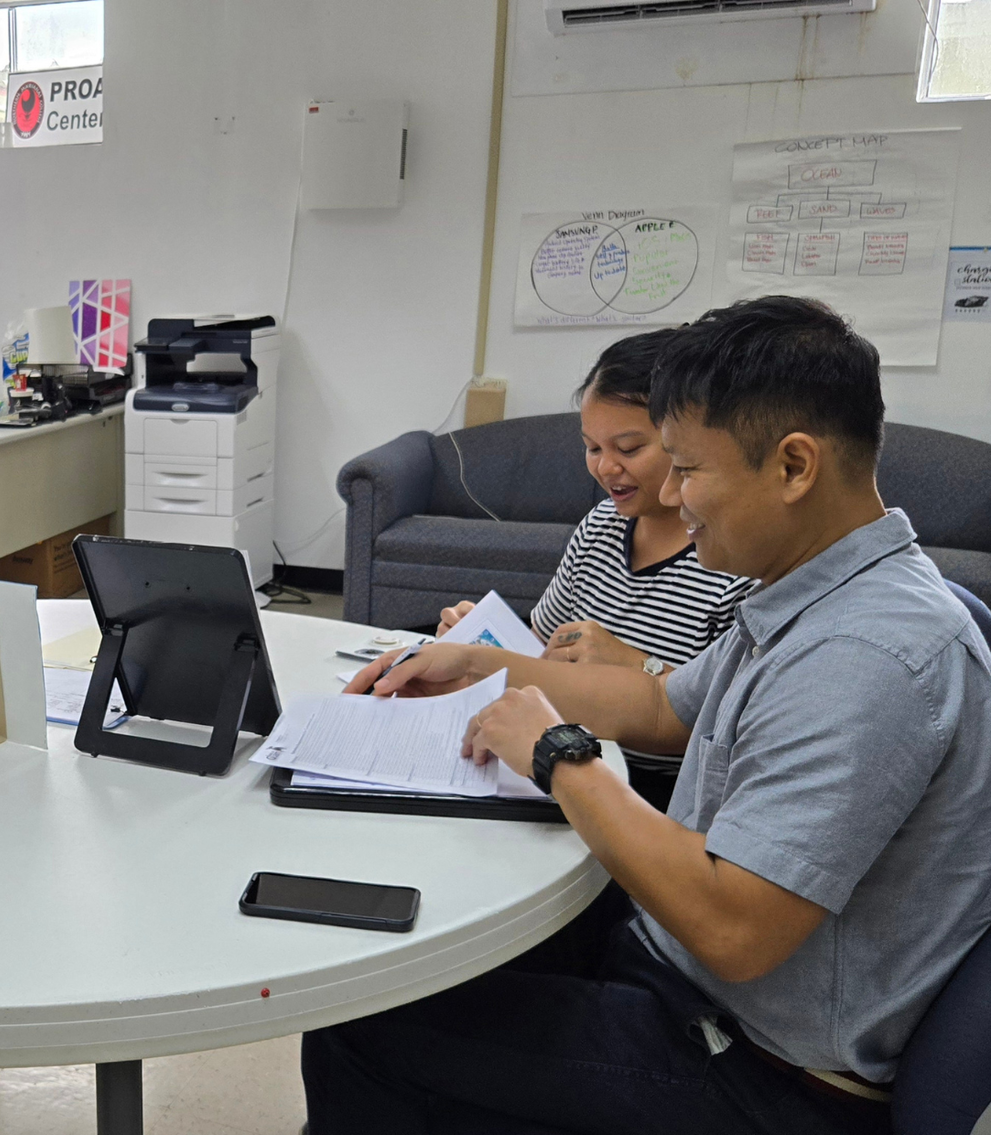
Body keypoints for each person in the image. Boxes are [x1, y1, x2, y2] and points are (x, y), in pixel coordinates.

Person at [309, 296, 991, 1134]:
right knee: (404, 943)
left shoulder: (870, 655)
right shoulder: (812, 585)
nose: (671, 493)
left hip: (757, 1068)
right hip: (688, 970)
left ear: (794, 465)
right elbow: (664, 705)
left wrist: (560, 754)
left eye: (688, 469)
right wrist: (483, 662)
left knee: (357, 1016)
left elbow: (735, 928)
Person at [429, 330, 754, 809]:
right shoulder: (602, 524)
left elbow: (727, 729)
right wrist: (480, 644)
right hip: (556, 756)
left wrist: (637, 663)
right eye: (593, 447)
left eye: (628, 448)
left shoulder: (736, 559)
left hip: (654, 795)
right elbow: (542, 649)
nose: (605, 468)